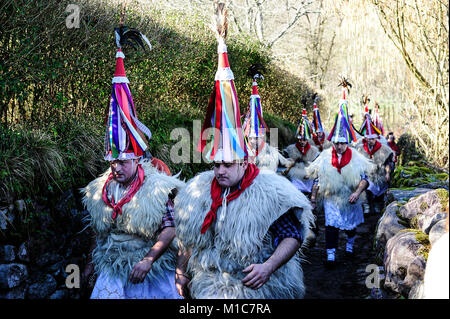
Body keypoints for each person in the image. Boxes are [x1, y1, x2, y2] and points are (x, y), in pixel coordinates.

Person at [173, 3, 314, 299]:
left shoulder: (270, 192)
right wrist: (182, 273)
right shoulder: (198, 190)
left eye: (227, 165)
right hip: (210, 285)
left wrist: (268, 266)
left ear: (242, 159)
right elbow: (189, 240)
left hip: (253, 287)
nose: (220, 171)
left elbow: (292, 235)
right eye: (216, 165)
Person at [81, 26, 185, 299]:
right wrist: (91, 263)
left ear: (138, 159)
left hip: (147, 265)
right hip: (113, 264)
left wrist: (149, 259)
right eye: (113, 161)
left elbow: (170, 228)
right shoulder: (99, 189)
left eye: (123, 162)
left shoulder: (158, 187)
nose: (116, 167)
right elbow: (98, 229)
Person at [307, 78, 374, 265]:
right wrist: (313, 199)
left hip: (351, 197)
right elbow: (317, 179)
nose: (339, 146)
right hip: (331, 198)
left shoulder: (357, 158)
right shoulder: (325, 157)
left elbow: (365, 179)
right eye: (336, 143)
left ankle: (350, 244)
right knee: (331, 225)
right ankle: (330, 254)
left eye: (342, 143)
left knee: (350, 226)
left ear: (348, 143)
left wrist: (357, 192)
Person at [243, 65, 293, 173]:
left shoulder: (271, 152)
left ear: (261, 136)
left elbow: (286, 164)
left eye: (256, 138)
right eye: (251, 138)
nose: (252, 141)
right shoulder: (242, 151)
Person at [356, 107, 394, 215]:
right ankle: (366, 205)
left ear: (376, 138)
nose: (371, 141)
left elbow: (387, 163)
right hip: (367, 173)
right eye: (369, 139)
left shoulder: (384, 149)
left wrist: (387, 173)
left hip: (380, 171)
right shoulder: (361, 148)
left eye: (373, 139)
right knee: (365, 185)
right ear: (366, 139)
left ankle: (378, 205)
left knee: (381, 186)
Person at [283, 109, 320, 195]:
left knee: (315, 180)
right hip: (296, 177)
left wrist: (310, 173)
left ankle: (312, 197)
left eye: (304, 140)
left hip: (308, 177)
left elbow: (317, 166)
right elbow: (285, 163)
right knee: (293, 183)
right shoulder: (290, 149)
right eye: (300, 139)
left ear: (307, 140)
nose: (302, 142)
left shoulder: (314, 151)